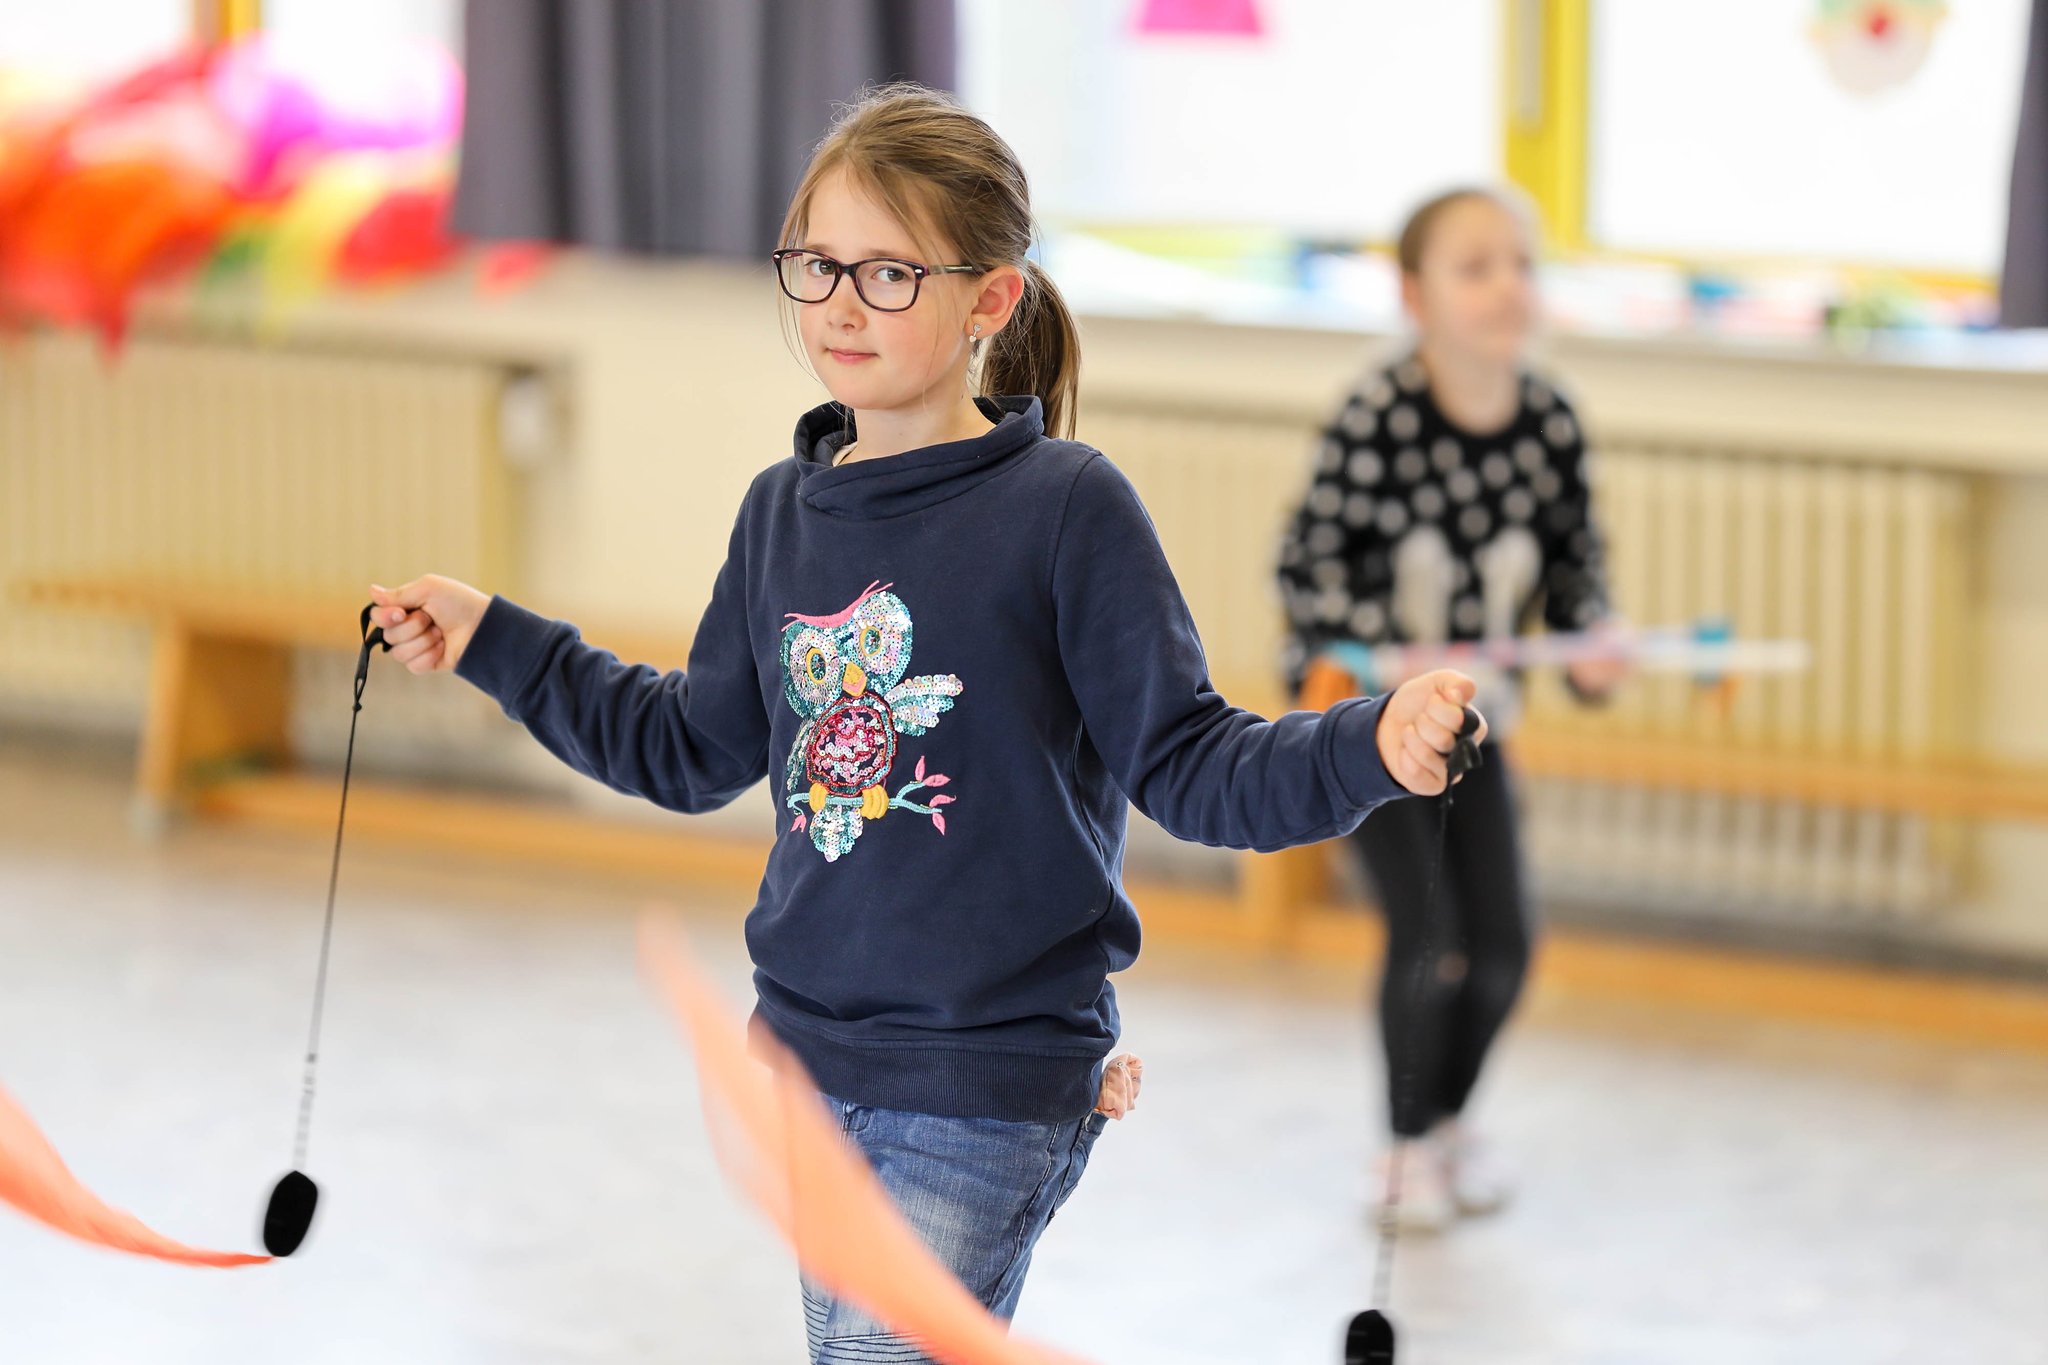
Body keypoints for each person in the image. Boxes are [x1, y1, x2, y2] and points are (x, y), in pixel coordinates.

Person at [367, 85, 1483, 1363]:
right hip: (805, 1065)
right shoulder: (779, 513)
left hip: (983, 1087)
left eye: (890, 273)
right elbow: (688, 748)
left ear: (989, 300)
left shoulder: (1066, 507)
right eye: (817, 265)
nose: (841, 305)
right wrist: (495, 637)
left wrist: (1366, 744)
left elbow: (1189, 761)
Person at [1278, 186, 1623, 1232]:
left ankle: (1444, 1123)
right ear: (1414, 295)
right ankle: (1400, 1148)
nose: (1507, 286)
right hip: (1373, 731)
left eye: (1521, 263)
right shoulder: (1378, 413)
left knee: (1506, 947)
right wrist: (1385, 649)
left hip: (1480, 728)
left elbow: (1574, 569)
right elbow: (1307, 568)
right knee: (1426, 936)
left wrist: (1591, 642)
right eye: (1476, 266)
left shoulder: (1550, 420)